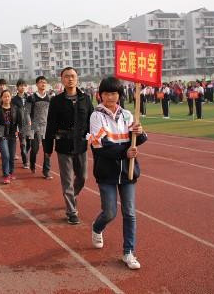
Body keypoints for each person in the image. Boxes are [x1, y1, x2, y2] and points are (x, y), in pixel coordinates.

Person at [88, 76, 147, 270]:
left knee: (129, 213)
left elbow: (137, 141)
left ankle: (128, 252)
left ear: (119, 95)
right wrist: (125, 152)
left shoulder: (128, 115)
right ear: (100, 95)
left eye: (113, 93)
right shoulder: (96, 116)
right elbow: (100, 147)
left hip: (128, 171)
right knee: (110, 212)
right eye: (106, 93)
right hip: (106, 171)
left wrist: (140, 132)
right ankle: (97, 227)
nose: (110, 97)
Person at [44, 67, 93, 225]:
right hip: (63, 145)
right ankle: (71, 211)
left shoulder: (85, 99)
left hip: (81, 144)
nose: (70, 79)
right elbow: (50, 125)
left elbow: (92, 122)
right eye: (67, 76)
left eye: (73, 76)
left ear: (77, 78)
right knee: (67, 181)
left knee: (83, 177)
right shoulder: (56, 101)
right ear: (62, 80)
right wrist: (48, 148)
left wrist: (95, 141)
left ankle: (72, 196)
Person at [0, 90, 22, 184]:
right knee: (5, 155)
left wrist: (20, 131)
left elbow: (19, 122)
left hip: (12, 134)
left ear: (11, 97)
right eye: (5, 96)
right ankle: (6, 175)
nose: (7, 98)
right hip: (2, 134)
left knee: (11, 155)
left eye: (8, 96)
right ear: (2, 98)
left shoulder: (15, 109)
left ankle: (11, 172)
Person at [28, 76, 52, 179]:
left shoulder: (49, 98)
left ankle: (46, 171)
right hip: (34, 126)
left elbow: (51, 113)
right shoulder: (31, 98)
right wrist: (29, 122)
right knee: (35, 149)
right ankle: (32, 164)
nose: (43, 84)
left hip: (46, 126)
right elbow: (27, 112)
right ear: (37, 84)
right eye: (41, 82)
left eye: (45, 82)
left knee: (47, 150)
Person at [12, 79, 32, 169]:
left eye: (24, 85)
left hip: (29, 123)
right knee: (23, 143)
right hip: (20, 124)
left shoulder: (29, 98)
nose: (22, 87)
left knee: (29, 143)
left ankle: (24, 153)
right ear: (17, 87)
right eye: (20, 85)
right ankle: (25, 161)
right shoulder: (14, 100)